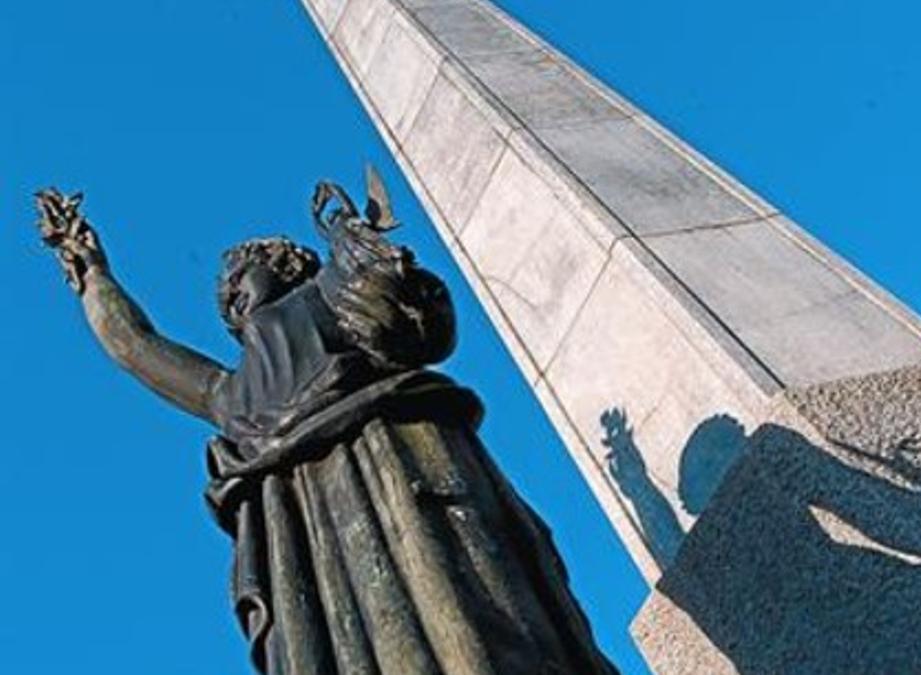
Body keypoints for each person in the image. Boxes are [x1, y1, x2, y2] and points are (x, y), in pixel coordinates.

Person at [34, 171, 617, 675]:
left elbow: (405, 317)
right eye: (225, 298)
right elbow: (137, 346)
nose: (230, 296)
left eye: (240, 275)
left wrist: (358, 245)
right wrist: (93, 273)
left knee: (473, 616)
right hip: (317, 546)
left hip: (407, 473)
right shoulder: (235, 393)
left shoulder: (332, 299)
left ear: (288, 266)